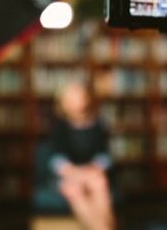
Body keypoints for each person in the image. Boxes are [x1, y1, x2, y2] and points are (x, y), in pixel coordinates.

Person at [34, 80, 116, 230]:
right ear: (63, 103)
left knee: (99, 184)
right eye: (70, 98)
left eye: (78, 96)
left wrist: (93, 169)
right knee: (74, 191)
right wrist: (74, 172)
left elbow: (105, 155)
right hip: (68, 175)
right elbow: (56, 158)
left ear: (86, 99)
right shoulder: (59, 126)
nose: (75, 101)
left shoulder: (98, 124)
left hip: (92, 172)